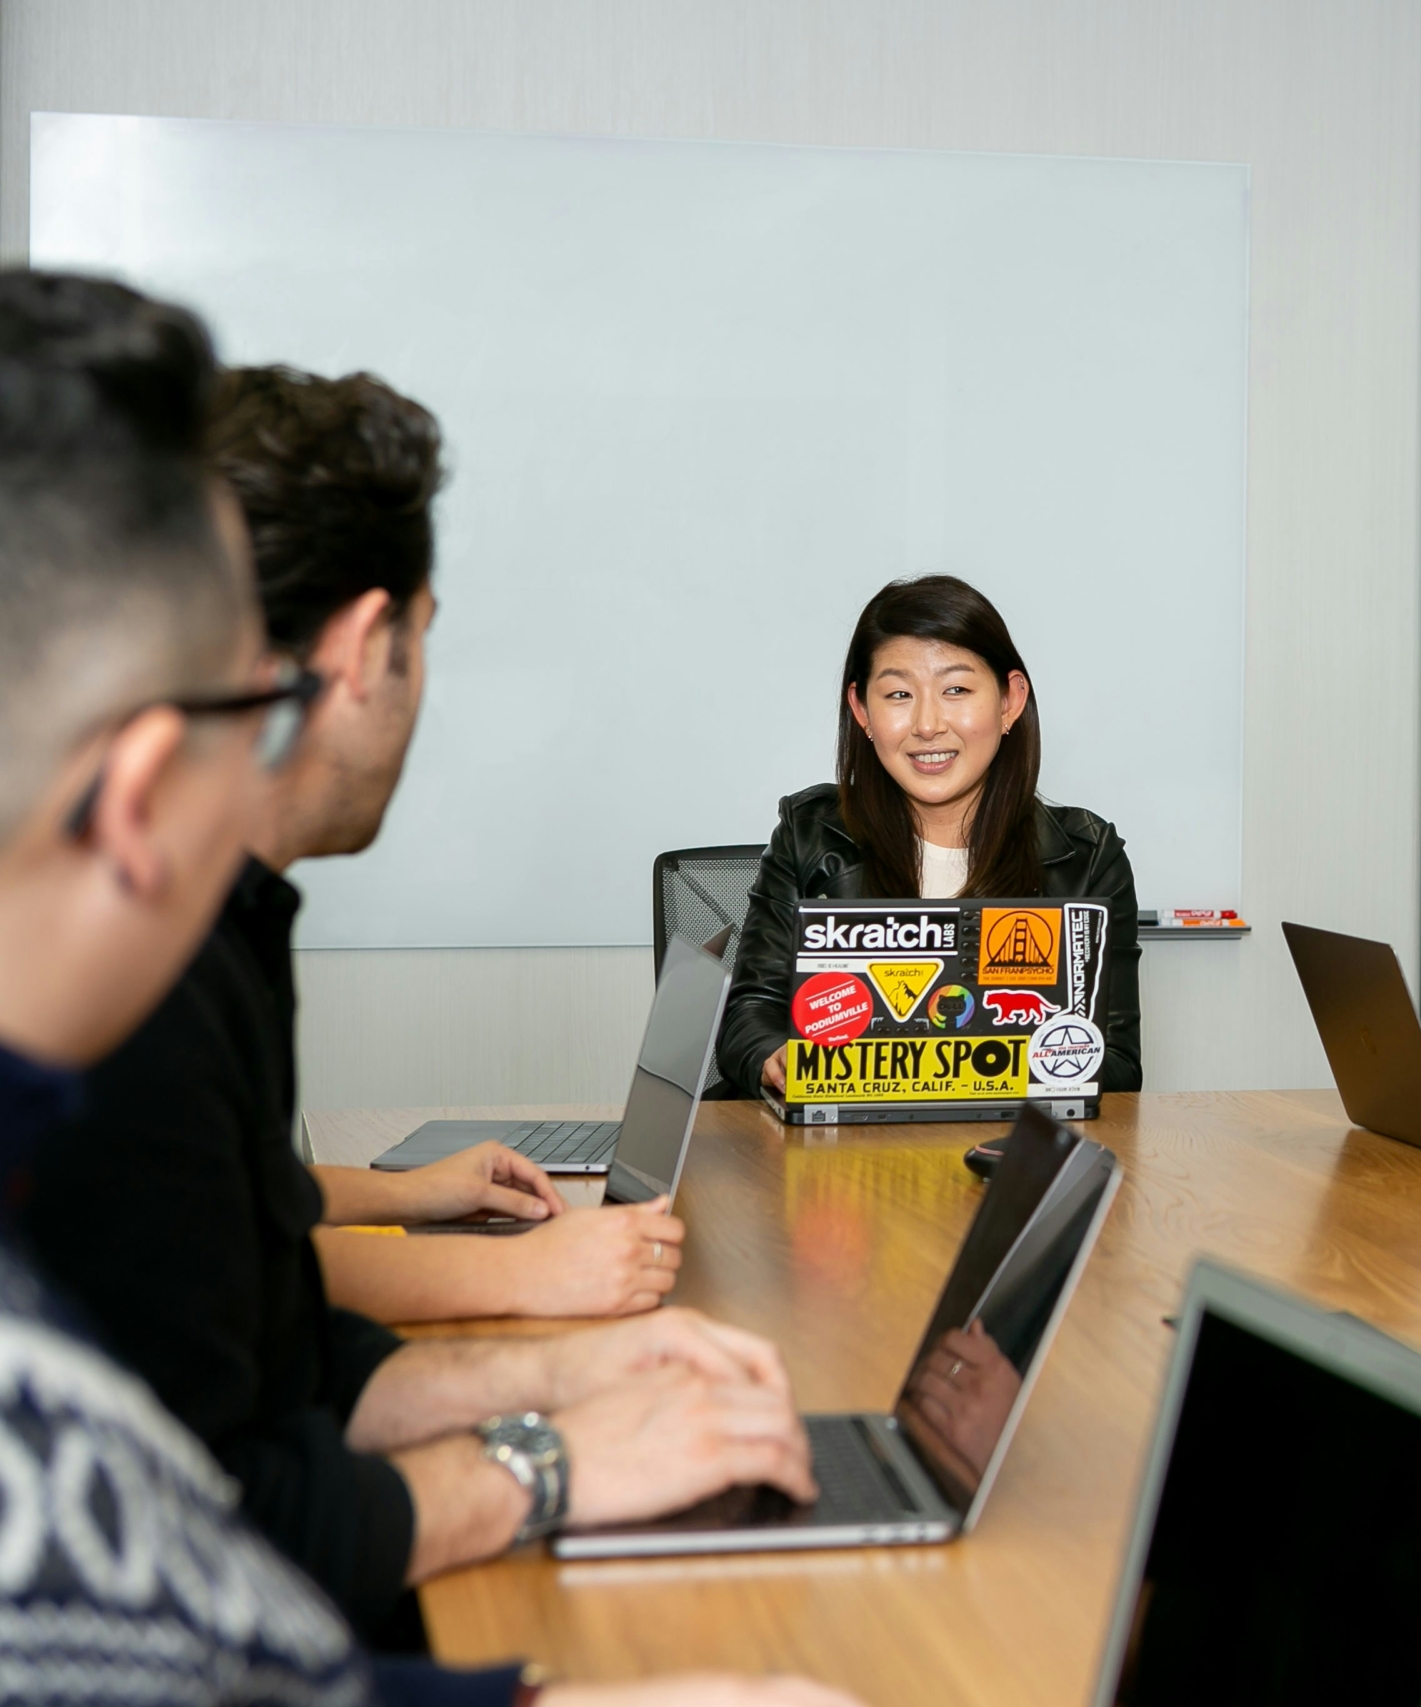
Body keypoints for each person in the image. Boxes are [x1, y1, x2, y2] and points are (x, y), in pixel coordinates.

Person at [0, 269, 851, 1706]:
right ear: (142, 793)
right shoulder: (131, 1043)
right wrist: (549, 1461)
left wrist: (557, 1392)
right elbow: (216, 1535)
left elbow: (189, 1539)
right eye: (235, 699)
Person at [720, 574, 1142, 1098]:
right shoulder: (810, 834)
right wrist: (773, 1058)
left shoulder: (1087, 857)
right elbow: (748, 1016)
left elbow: (1118, 1063)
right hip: (840, 1163)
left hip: (1002, 1157)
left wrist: (984, 1070)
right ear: (862, 712)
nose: (926, 724)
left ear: (1010, 701)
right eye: (898, 694)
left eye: (957, 690)